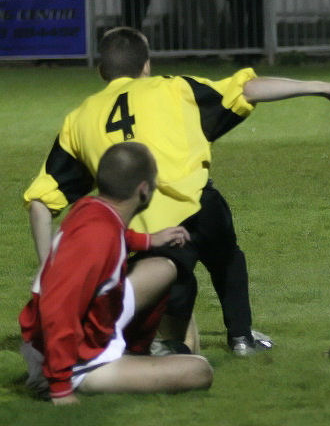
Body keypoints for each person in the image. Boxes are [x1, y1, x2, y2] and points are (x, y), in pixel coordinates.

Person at [23, 26, 330, 356]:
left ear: (102, 71)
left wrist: (48, 270)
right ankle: (240, 337)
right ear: (146, 65)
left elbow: (40, 200)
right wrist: (323, 87)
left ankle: (157, 345)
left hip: (148, 229)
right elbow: (247, 89)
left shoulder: (79, 119)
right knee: (227, 260)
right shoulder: (174, 88)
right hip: (199, 206)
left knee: (174, 287)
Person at [19, 142, 213, 404]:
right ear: (143, 190)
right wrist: (60, 386)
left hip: (94, 323)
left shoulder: (93, 207)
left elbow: (114, 235)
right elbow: (57, 309)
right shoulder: (95, 239)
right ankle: (56, 381)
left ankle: (136, 351)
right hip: (75, 358)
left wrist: (148, 241)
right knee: (199, 371)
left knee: (163, 268)